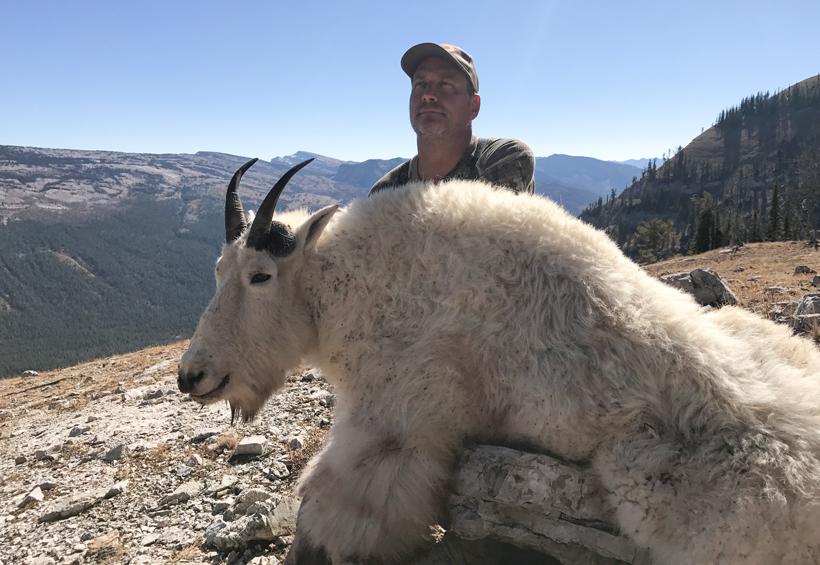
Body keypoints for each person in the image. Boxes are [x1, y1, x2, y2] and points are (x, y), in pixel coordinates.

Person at [370, 42, 535, 196]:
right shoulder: (384, 191)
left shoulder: (503, 159)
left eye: (446, 84)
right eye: (420, 84)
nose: (428, 95)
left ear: (474, 106)